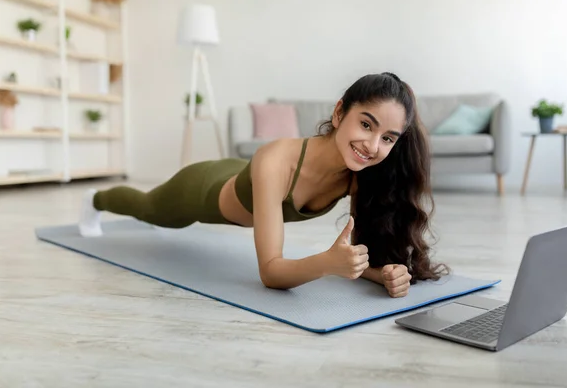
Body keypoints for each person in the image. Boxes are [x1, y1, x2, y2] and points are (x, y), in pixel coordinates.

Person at [78, 72, 448, 297]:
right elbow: (271, 272)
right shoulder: (275, 160)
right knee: (149, 210)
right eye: (366, 124)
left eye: (388, 138)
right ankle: (95, 198)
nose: (372, 145)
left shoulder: (358, 178)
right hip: (202, 189)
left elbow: (349, 259)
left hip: (243, 174)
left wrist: (379, 272)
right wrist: (326, 263)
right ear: (339, 113)